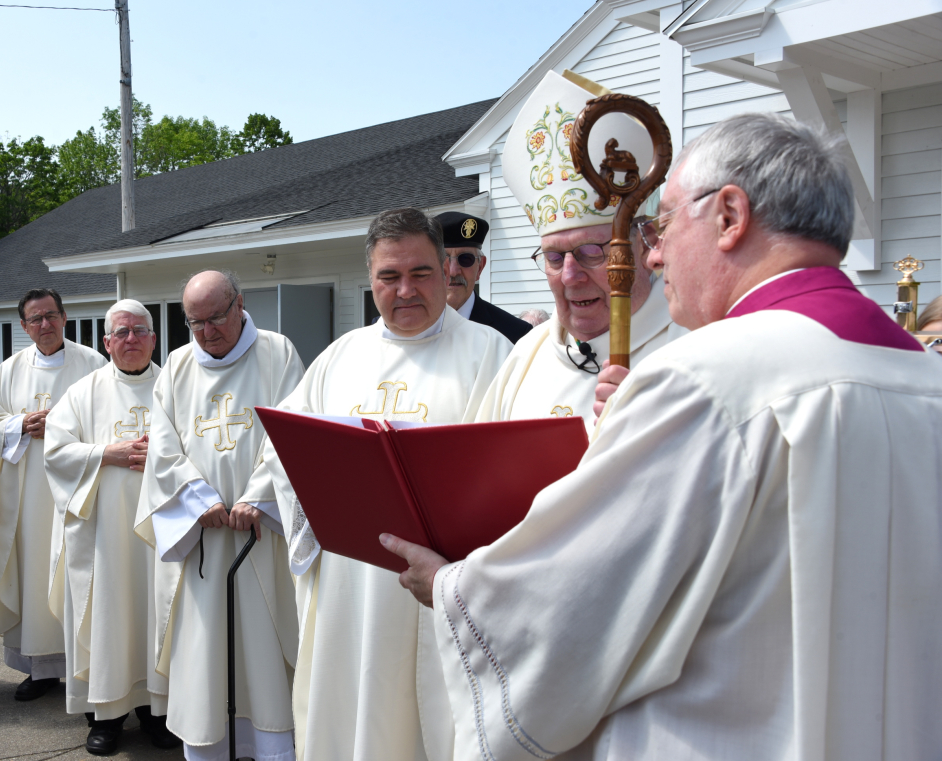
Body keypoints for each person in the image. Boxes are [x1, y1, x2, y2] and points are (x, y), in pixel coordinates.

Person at [384, 113, 942, 759]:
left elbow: (582, 595)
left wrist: (455, 588)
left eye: (666, 222)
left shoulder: (708, 376)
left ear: (730, 214)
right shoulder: (922, 375)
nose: (649, 252)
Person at [263, 208, 512, 761]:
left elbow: (507, 474)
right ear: (370, 278)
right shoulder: (339, 357)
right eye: (389, 276)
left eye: (420, 273)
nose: (405, 290)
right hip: (351, 582)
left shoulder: (492, 353)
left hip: (440, 584)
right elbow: (283, 452)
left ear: (448, 270)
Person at [136, 270, 304, 761]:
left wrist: (257, 496)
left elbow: (291, 429)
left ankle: (273, 745)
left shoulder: (278, 353)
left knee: (264, 643)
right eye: (195, 323)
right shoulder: (177, 364)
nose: (207, 332)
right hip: (204, 538)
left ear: (240, 304)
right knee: (207, 650)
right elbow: (163, 446)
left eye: (216, 318)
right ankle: (209, 747)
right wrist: (197, 498)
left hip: (261, 535)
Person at [474, 70, 687, 428]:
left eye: (591, 251)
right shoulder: (526, 357)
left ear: (647, 241)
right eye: (555, 258)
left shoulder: (690, 347)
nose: (570, 276)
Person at [44, 300, 178, 755]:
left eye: (140, 330)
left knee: (159, 617)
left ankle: (158, 713)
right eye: (121, 332)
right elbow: (55, 453)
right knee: (109, 618)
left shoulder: (174, 387)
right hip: (103, 537)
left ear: (154, 338)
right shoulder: (84, 393)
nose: (131, 339)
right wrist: (107, 453)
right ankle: (106, 717)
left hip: (163, 534)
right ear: (106, 342)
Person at [0, 289, 106, 701]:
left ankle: (85, 664)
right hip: (29, 492)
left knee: (79, 571)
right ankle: (40, 669)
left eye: (51, 316)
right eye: (35, 319)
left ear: (65, 317)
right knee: (35, 573)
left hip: (78, 490)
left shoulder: (92, 363)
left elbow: (109, 414)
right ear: (23, 326)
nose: (44, 325)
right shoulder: (12, 368)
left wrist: (60, 428)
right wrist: (20, 425)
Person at [435, 211, 531, 344]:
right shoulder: (412, 327)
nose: (453, 271)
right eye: (443, 259)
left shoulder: (515, 334)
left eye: (466, 259)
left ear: (480, 267)